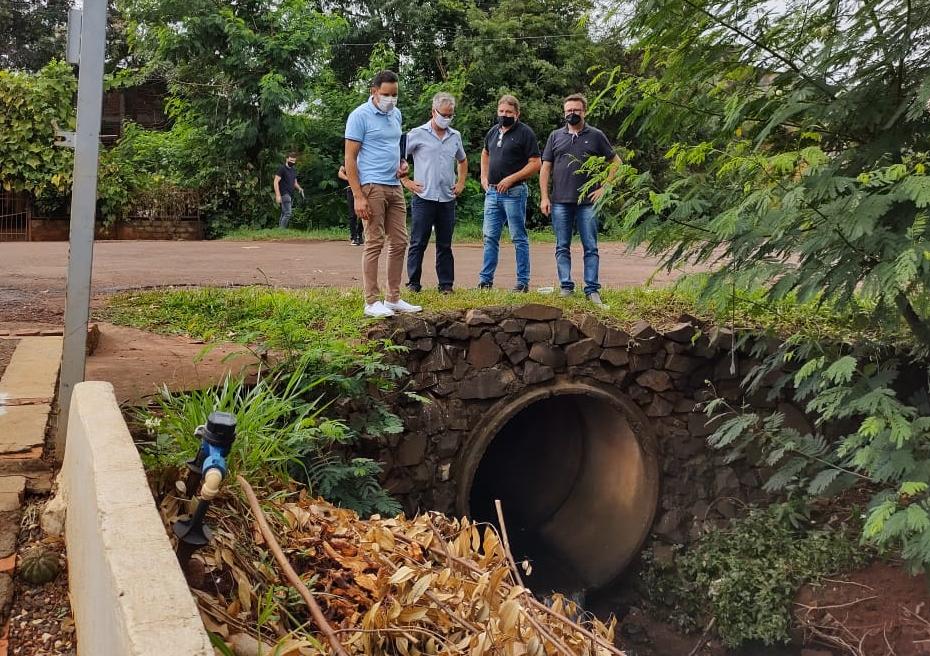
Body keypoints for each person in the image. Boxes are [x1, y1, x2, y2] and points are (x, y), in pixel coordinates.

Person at [344, 69, 422, 318]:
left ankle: (393, 298)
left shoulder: (395, 114)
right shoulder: (359, 116)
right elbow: (350, 158)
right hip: (371, 186)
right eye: (386, 94)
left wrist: (403, 163)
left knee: (399, 241)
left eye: (394, 94)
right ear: (374, 92)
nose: (391, 99)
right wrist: (358, 196)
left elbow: (395, 146)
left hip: (394, 185)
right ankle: (371, 301)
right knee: (374, 241)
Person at [540, 93, 621, 308]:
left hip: (588, 203)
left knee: (590, 247)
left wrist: (605, 187)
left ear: (584, 111)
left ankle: (592, 290)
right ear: (563, 112)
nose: (572, 114)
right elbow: (545, 168)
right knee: (562, 246)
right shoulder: (555, 136)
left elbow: (616, 162)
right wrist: (544, 197)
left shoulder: (596, 136)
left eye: (576, 110)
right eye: (568, 110)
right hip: (560, 201)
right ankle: (566, 287)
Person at [402, 92, 468, 294]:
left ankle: (446, 284)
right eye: (443, 114)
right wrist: (406, 181)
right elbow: (398, 155)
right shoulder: (417, 134)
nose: (446, 118)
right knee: (418, 242)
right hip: (424, 196)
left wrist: (461, 182)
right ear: (433, 112)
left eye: (450, 115)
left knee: (445, 244)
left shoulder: (455, 136)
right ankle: (413, 283)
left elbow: (462, 160)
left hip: (447, 198)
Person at [478, 94, 541, 292]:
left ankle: (522, 282)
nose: (504, 115)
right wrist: (483, 177)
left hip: (514, 192)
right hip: (492, 193)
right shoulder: (493, 131)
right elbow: (485, 153)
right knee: (489, 237)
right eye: (501, 111)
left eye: (508, 112)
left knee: (518, 237)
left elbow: (536, 163)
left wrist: (511, 179)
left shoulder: (525, 133)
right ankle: (485, 281)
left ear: (517, 114)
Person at [273, 152, 304, 229]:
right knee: (288, 213)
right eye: (291, 160)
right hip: (284, 193)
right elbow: (276, 181)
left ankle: (279, 230)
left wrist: (300, 188)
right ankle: (281, 229)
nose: (292, 162)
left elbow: (295, 183)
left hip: (291, 194)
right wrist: (278, 195)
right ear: (287, 159)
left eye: (294, 161)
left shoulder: (293, 170)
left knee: (284, 212)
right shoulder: (282, 169)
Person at [338, 165, 363, 245]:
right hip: (351, 189)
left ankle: (359, 235)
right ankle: (354, 237)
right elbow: (340, 173)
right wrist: (349, 179)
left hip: (364, 188)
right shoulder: (350, 160)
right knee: (352, 214)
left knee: (364, 213)